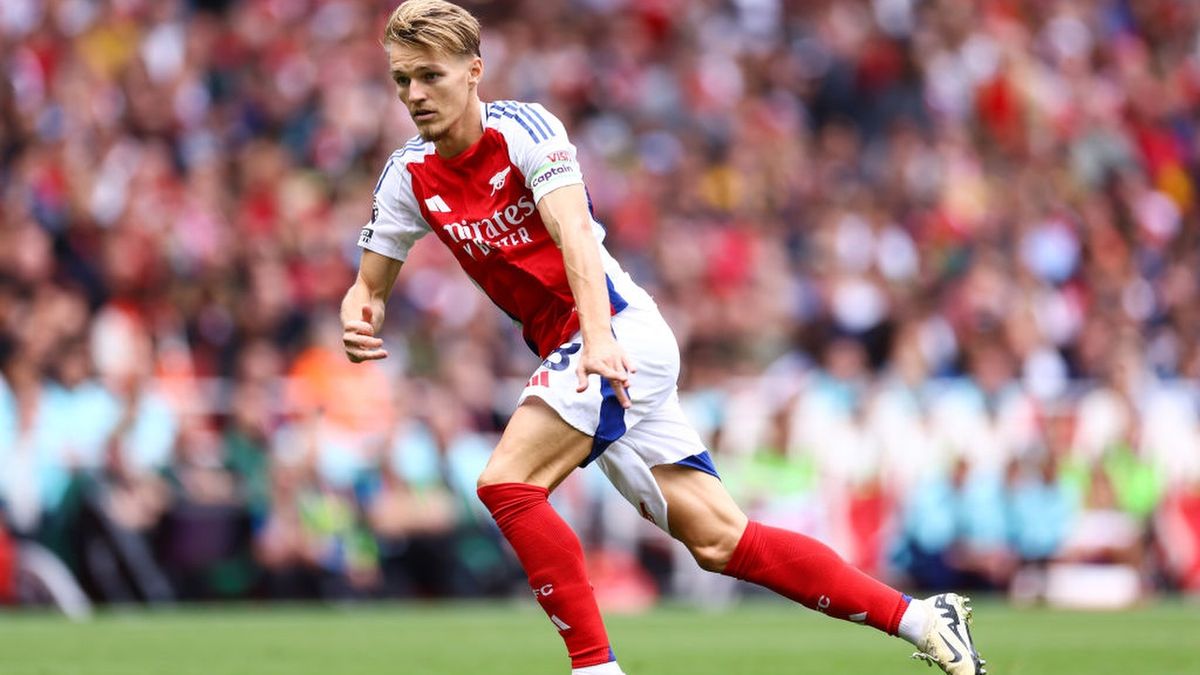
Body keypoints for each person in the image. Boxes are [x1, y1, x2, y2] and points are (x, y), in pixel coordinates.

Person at [340, 2, 986, 674]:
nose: (415, 95)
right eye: (402, 81)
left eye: (430, 76)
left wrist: (595, 338)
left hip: (616, 335)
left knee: (507, 482)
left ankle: (596, 669)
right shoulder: (407, 175)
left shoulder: (526, 131)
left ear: (474, 72)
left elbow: (577, 241)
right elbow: (370, 283)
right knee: (720, 539)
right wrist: (362, 308)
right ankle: (920, 616)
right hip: (583, 349)